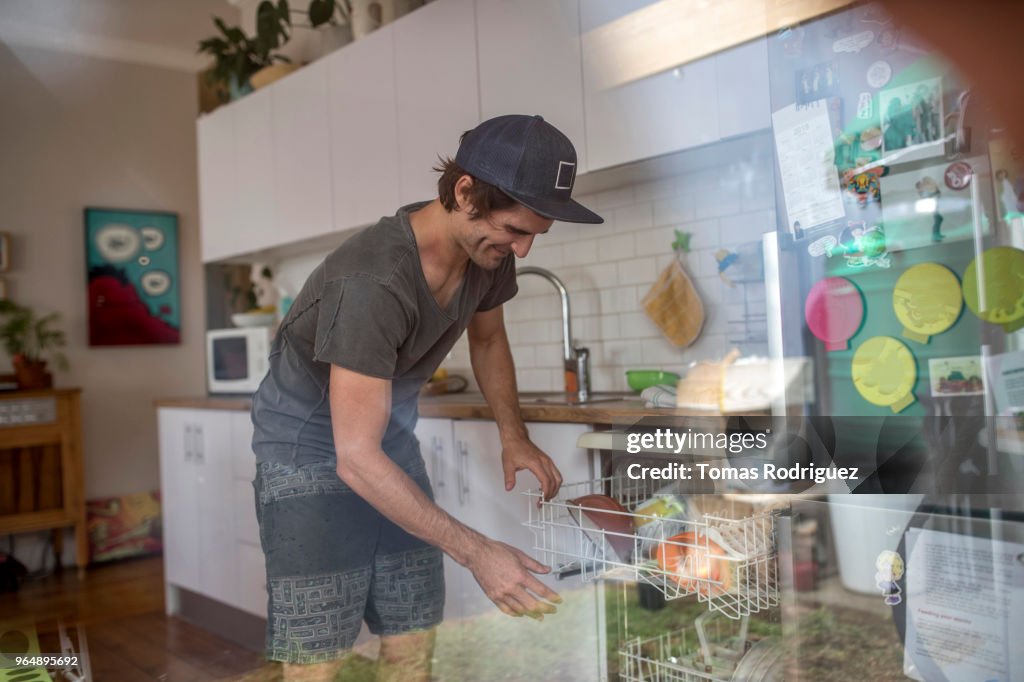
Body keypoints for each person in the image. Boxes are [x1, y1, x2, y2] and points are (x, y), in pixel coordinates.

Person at [250, 114, 603, 681]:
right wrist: (479, 553)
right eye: (516, 229)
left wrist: (514, 435)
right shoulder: (371, 282)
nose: (524, 247)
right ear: (465, 192)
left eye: (535, 232)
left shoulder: (487, 254)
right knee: (320, 654)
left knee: (412, 626)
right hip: (308, 454)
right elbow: (355, 458)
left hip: (384, 442)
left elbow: (488, 340)